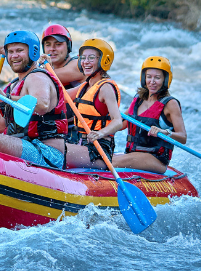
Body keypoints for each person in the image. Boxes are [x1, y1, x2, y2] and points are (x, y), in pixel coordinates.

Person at [0, 30, 67, 168]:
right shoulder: (13, 85)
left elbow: (42, 104)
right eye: (10, 52)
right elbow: (1, 123)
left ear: (33, 52)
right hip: (25, 145)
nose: (14, 56)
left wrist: (7, 98)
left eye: (19, 50)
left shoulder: (37, 77)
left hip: (48, 154)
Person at [112, 56, 187, 172]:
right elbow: (120, 124)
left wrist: (164, 132)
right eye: (149, 77)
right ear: (144, 78)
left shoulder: (170, 104)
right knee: (102, 157)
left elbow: (183, 137)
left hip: (156, 159)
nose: (152, 82)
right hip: (132, 155)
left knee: (110, 162)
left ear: (165, 80)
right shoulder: (138, 100)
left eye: (157, 78)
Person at [63, 39, 123, 169]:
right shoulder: (85, 86)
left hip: (99, 151)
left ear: (104, 61)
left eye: (91, 58)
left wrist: (100, 133)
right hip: (82, 144)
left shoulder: (106, 87)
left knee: (57, 151)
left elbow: (118, 121)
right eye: (83, 58)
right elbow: (60, 96)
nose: (85, 62)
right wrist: (45, 70)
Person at [42, 23, 85, 144]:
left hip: (78, 133)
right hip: (53, 129)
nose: (52, 49)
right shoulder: (43, 69)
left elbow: (50, 76)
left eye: (58, 44)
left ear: (68, 47)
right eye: (48, 45)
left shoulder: (78, 65)